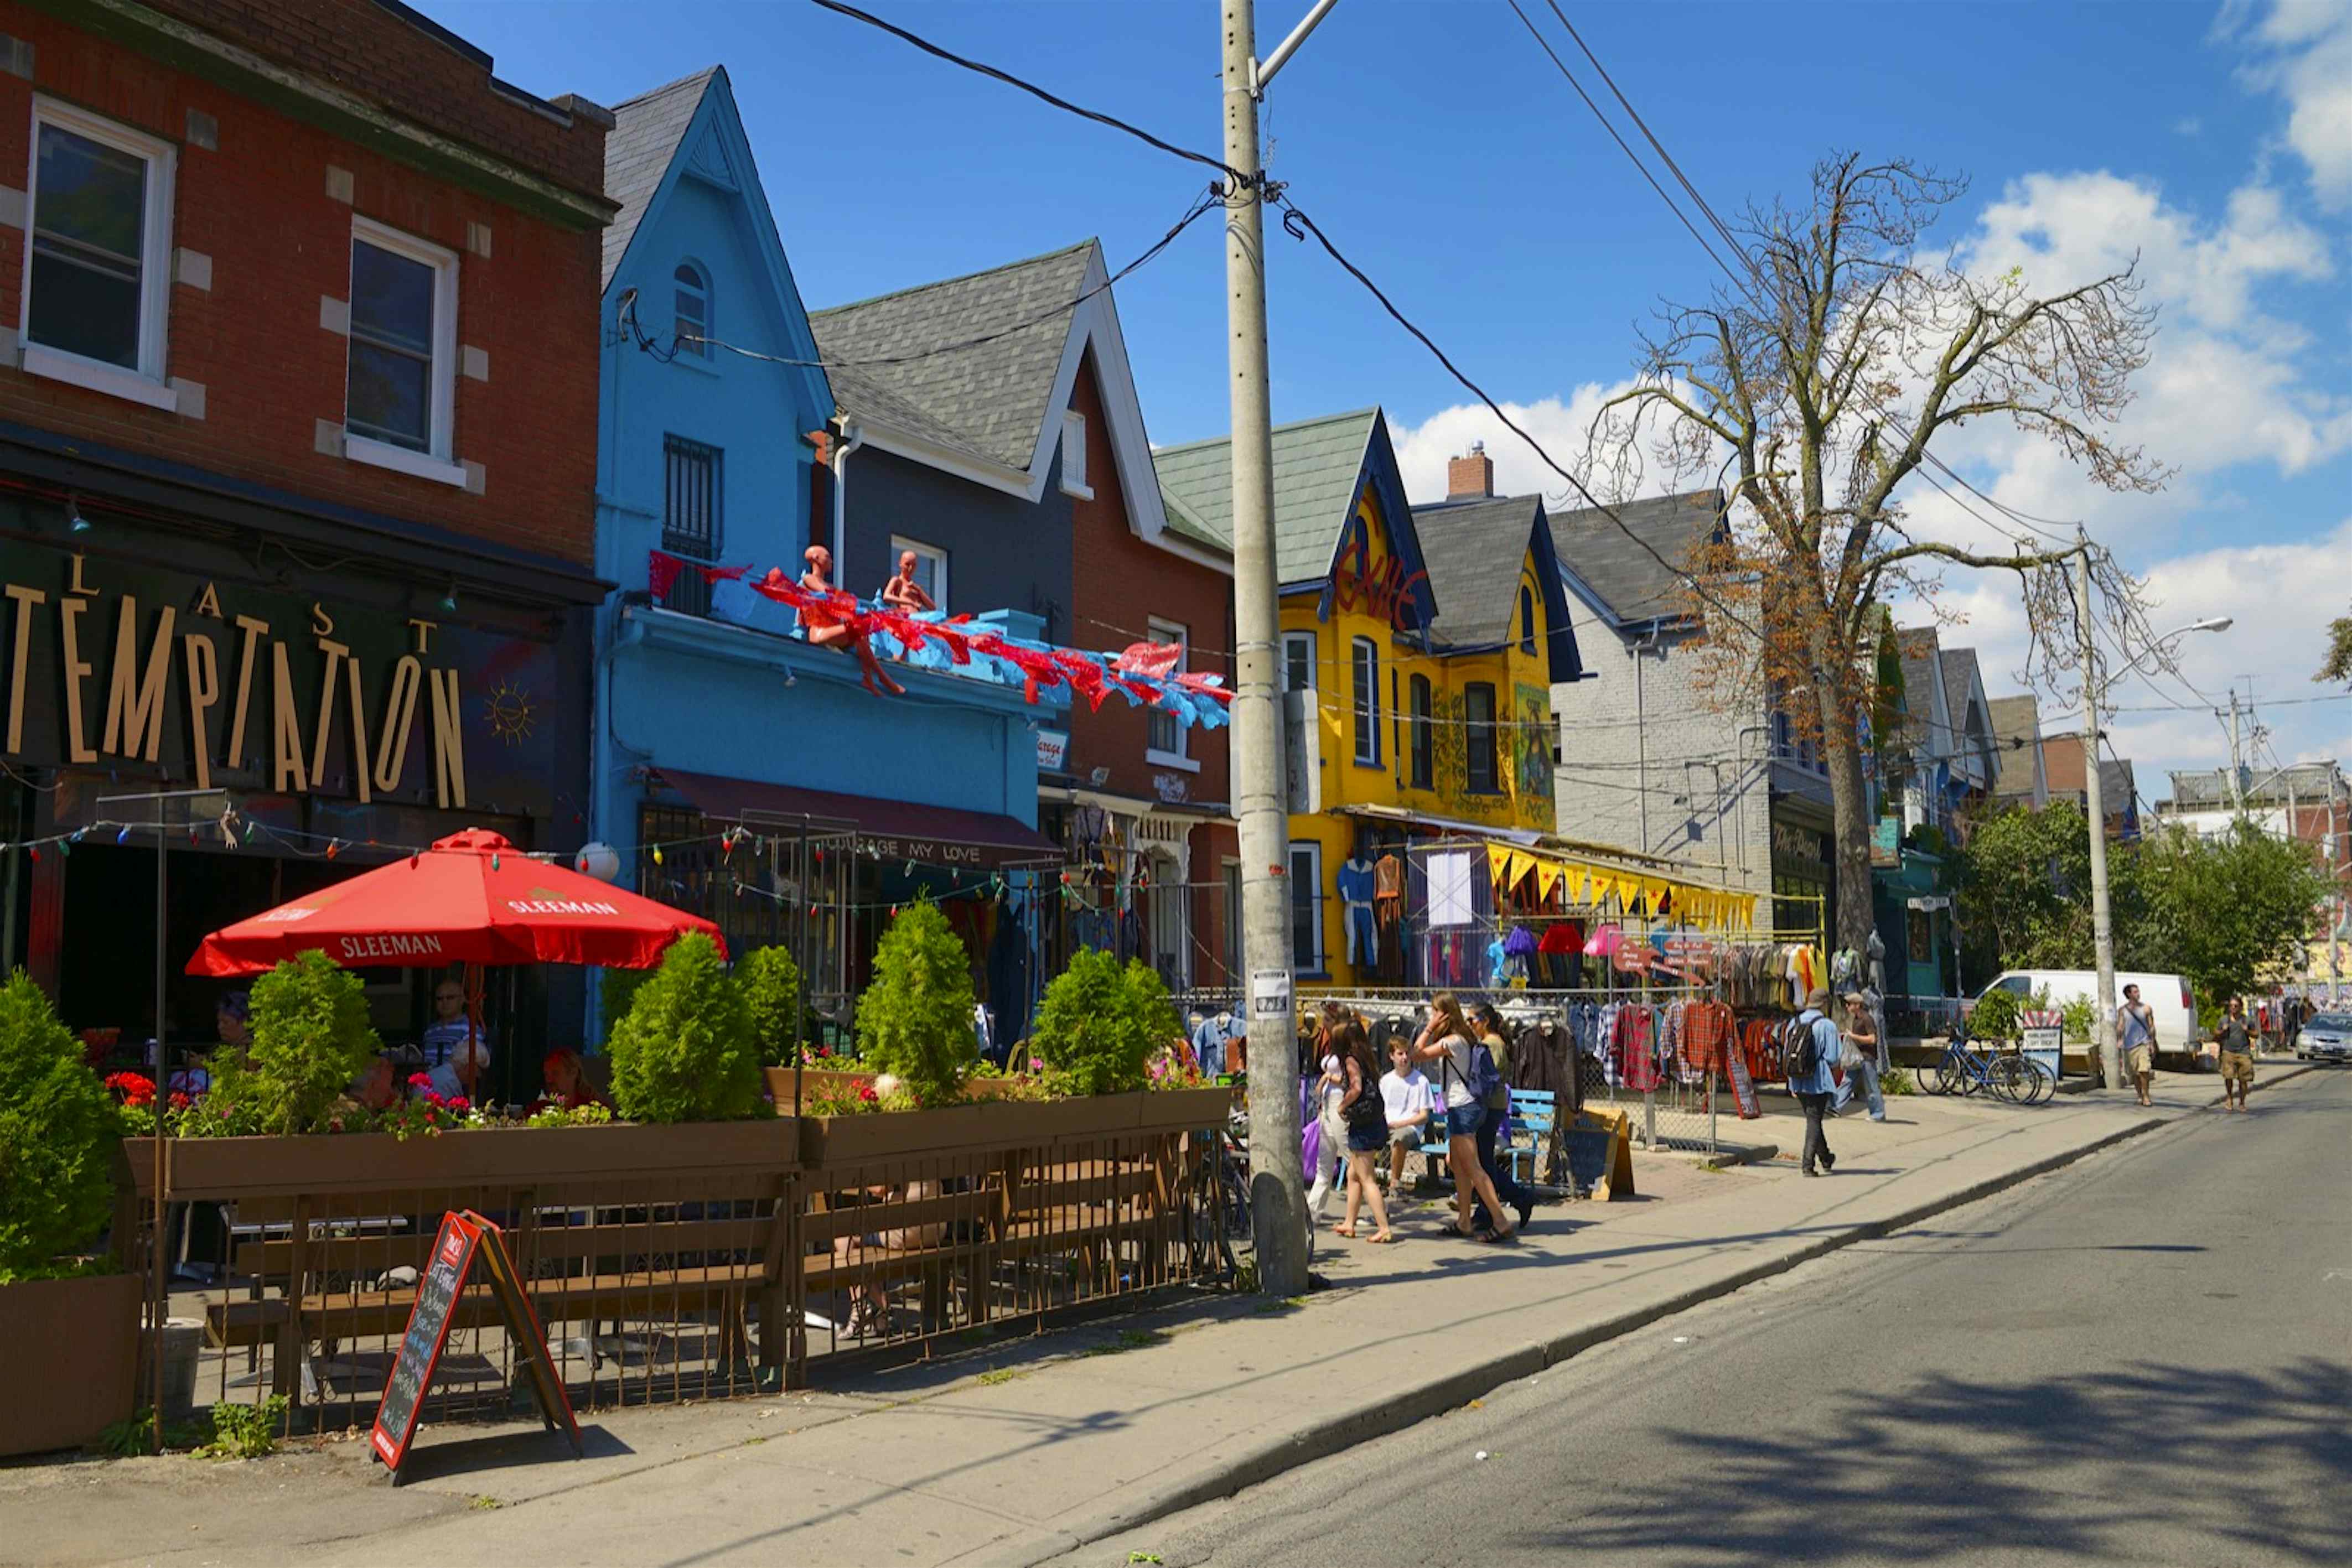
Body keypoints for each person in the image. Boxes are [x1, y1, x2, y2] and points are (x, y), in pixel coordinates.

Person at [1411, 992, 1516, 1242]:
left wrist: (1429, 1028)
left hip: (1463, 1109)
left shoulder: (1454, 1041)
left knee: (1474, 1168)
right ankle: (1464, 1221)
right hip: (1461, 1108)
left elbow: (1416, 1054)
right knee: (1459, 1167)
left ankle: (1500, 1221)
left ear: (1446, 1014)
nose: (1431, 1016)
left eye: (1436, 1012)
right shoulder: (1463, 1038)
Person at [797, 544, 904, 697]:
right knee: (858, 628)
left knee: (861, 629)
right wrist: (846, 600)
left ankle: (869, 677)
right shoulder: (809, 579)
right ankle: (882, 677)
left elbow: (837, 599)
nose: (831, 561)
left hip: (831, 631)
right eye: (827, 557)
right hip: (819, 632)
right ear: (816, 559)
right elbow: (827, 594)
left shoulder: (830, 586)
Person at [1468, 1003, 1535, 1234]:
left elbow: (1488, 1076)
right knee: (1484, 1161)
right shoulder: (1488, 1043)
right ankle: (1515, 1199)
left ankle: (1492, 1210)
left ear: (1485, 1021)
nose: (1470, 1025)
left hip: (1490, 1108)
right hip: (1487, 1107)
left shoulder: (1492, 1044)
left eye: (1472, 1020)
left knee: (1483, 1162)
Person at [1332, 1019, 1394, 1243]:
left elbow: (1356, 1087)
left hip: (1363, 1125)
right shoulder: (1367, 1057)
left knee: (1367, 1178)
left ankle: (1383, 1227)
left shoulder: (1350, 1059)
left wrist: (1342, 1105)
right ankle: (1350, 1222)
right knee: (1353, 1175)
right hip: (1375, 1120)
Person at [1304, 1004, 1352, 1223]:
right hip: (1327, 1105)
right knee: (1324, 1163)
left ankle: (1377, 1208)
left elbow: (1351, 1078)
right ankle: (1312, 1212)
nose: (1322, 1025)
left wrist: (1327, 1079)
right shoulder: (1332, 1045)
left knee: (1353, 1158)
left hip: (1340, 1104)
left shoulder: (1348, 1046)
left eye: (1326, 1021)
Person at [1789, 988, 1842, 1176]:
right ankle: (1807, 1164)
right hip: (1819, 1079)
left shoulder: (1793, 1022)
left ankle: (1826, 1158)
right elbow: (1834, 1056)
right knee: (1814, 1120)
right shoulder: (1827, 1025)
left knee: (1814, 1119)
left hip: (1797, 1078)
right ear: (1825, 1004)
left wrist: (1791, 1082)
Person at [1379, 1037, 1434, 1189]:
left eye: (1407, 1053)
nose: (1404, 1058)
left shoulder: (1421, 1081)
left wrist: (1400, 1124)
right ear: (1392, 1056)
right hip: (1387, 1125)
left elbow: (1424, 1117)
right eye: (1400, 1054)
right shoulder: (1386, 1081)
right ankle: (1369, 1181)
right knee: (1364, 1137)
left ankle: (1394, 1184)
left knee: (1399, 1139)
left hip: (1411, 1128)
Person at [1834, 991, 1886, 1122]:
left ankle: (1878, 1114)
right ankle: (1836, 1107)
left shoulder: (1866, 1018)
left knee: (1871, 1086)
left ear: (1857, 1005)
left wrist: (1853, 1037)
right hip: (1857, 1057)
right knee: (1847, 1082)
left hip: (1867, 1057)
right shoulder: (1857, 1018)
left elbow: (1873, 1039)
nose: (1847, 1007)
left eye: (1849, 1004)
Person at [2116, 982, 2158, 1106]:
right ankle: (2140, 1095)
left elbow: (2151, 1026)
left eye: (2138, 991)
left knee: (2144, 1070)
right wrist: (2119, 1039)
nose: (2138, 994)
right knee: (2134, 1073)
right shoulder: (2123, 1010)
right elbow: (2120, 1026)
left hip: (2143, 1043)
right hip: (2129, 1045)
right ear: (2128, 994)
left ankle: (2146, 1096)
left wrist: (2152, 1042)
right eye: (2135, 992)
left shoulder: (2146, 1009)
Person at [533, 1047, 608, 1113]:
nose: (549, 1080)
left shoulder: (593, 1108)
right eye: (546, 1075)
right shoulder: (540, 1109)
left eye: (555, 1073)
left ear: (574, 1073)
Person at [2215, 998, 2256, 1113]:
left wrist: (2247, 1030)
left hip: (2244, 1052)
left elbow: (2256, 1034)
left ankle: (2242, 1102)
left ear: (2241, 1007)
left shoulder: (2246, 1020)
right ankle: (2229, 1098)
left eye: (2236, 1006)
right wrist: (2222, 1031)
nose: (2233, 1008)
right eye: (2231, 1006)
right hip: (2228, 1051)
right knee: (2228, 1077)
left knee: (2244, 1079)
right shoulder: (2224, 1020)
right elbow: (2216, 1033)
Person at [424, 1032, 489, 1104]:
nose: (477, 1078)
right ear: (468, 1068)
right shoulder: (449, 1084)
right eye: (477, 1074)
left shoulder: (440, 1073)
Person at [879, 549, 937, 614]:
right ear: (900, 563)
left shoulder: (915, 587)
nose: (910, 568)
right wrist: (910, 602)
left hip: (917, 618)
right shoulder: (897, 580)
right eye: (907, 564)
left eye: (914, 565)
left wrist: (919, 590)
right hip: (905, 617)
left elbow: (933, 607)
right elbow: (886, 596)